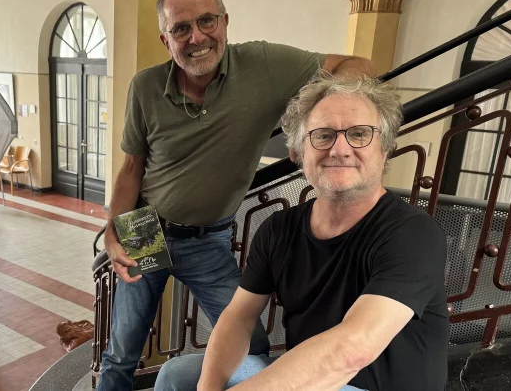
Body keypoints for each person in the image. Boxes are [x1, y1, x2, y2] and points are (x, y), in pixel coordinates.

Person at [97, 0, 376, 391]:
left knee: (252, 346)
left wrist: (310, 122)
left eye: (207, 21)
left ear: (225, 21)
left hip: (207, 240)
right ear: (166, 40)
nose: (196, 37)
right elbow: (131, 168)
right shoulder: (145, 86)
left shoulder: (263, 65)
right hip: (144, 228)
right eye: (181, 28)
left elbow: (359, 66)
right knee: (122, 351)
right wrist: (112, 230)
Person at [154, 74, 449, 391]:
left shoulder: (413, 233)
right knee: (177, 375)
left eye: (359, 134)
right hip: (312, 373)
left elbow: (351, 350)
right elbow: (238, 318)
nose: (340, 149)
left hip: (376, 385)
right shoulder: (279, 228)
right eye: (323, 136)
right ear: (297, 152)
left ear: (385, 149)